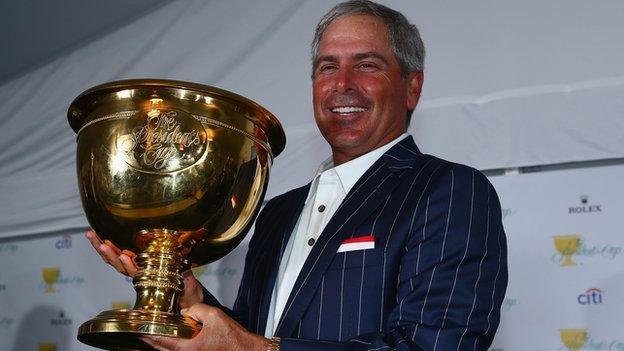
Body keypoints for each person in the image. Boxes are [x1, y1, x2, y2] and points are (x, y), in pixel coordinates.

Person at [88, 1, 508, 350]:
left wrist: (250, 349)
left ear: (411, 87)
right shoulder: (277, 213)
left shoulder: (450, 191)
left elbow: (435, 346)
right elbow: (259, 336)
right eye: (327, 67)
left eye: (366, 65)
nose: (342, 84)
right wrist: (188, 293)